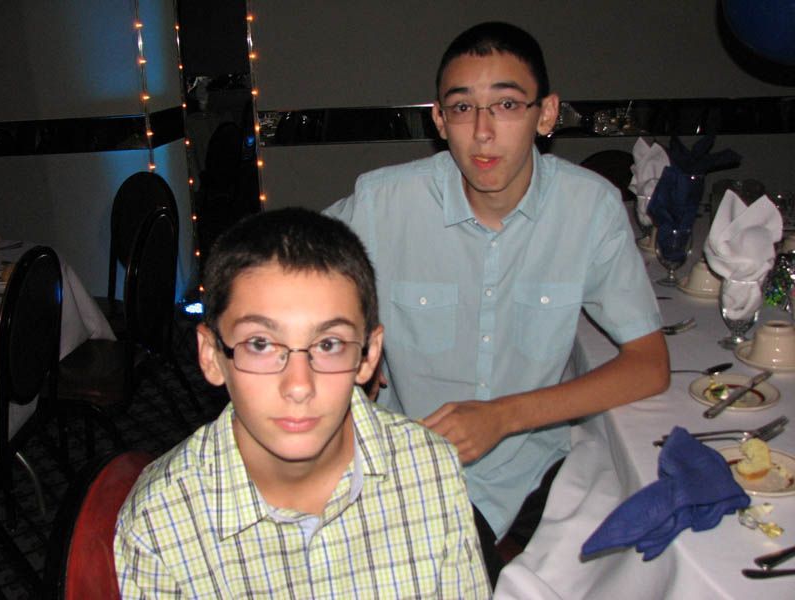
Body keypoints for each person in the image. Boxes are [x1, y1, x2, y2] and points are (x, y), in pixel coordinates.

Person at [325, 21, 670, 582]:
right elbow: (283, 273)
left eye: (507, 104)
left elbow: (649, 365)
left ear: (547, 113)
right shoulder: (384, 202)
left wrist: (503, 417)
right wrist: (350, 337)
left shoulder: (590, 209)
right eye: (463, 109)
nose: (483, 132)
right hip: (405, 469)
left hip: (533, 465)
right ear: (440, 120)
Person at [114, 208, 490, 598]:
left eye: (329, 345)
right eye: (260, 344)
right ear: (211, 355)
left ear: (368, 355)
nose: (298, 386)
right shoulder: (158, 522)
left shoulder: (431, 470)